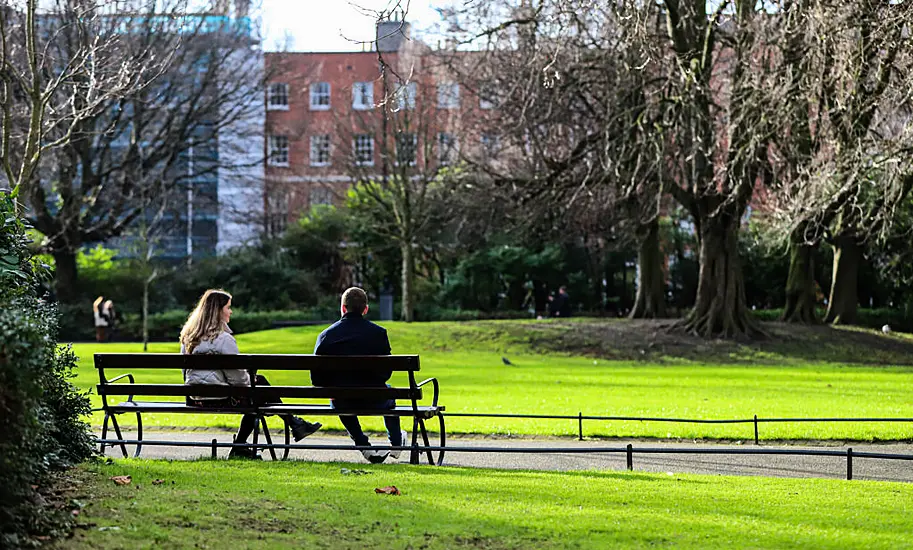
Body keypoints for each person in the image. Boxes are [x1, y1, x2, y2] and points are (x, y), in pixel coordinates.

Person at [179, 289, 322, 459]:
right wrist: (250, 380)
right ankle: (289, 424)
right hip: (222, 398)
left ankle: (292, 424)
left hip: (196, 398)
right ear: (218, 311)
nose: (230, 311)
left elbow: (186, 372)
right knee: (258, 388)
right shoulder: (224, 339)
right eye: (228, 307)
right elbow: (238, 380)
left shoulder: (189, 338)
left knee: (259, 385)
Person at [312, 287, 406, 464]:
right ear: (365, 309)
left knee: (337, 397)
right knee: (389, 394)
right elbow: (386, 373)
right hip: (375, 398)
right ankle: (396, 443)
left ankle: (363, 444)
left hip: (343, 400)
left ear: (343, 308)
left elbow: (316, 379)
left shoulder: (326, 336)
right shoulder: (378, 333)